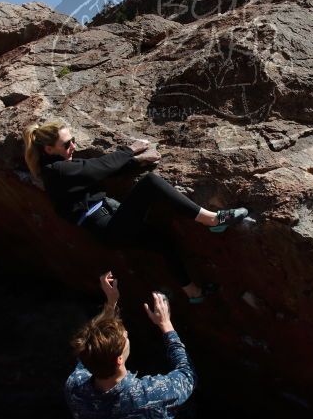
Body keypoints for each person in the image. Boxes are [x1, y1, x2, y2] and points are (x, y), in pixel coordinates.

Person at [23, 120, 249, 303]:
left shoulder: (61, 167)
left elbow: (99, 173)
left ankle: (193, 293)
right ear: (49, 149)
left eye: (72, 140)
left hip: (111, 226)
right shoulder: (56, 171)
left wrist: (136, 162)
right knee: (151, 183)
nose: (73, 146)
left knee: (163, 242)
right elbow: (97, 168)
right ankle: (211, 220)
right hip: (109, 225)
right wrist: (130, 151)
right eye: (66, 144)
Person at [65, 272, 196, 419]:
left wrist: (111, 303)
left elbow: (90, 346)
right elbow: (187, 376)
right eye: (124, 336)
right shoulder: (149, 395)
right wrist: (166, 325)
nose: (126, 333)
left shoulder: (75, 387)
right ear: (119, 360)